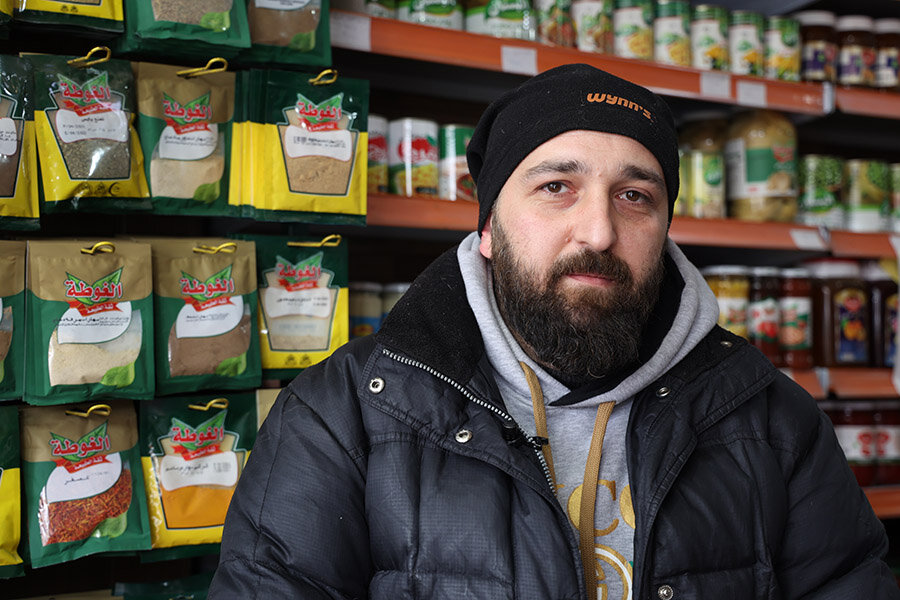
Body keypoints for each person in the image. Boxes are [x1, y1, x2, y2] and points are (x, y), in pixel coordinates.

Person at [209, 63, 899, 600]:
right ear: (486, 230)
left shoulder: (768, 419)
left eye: (636, 197)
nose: (599, 231)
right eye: (555, 187)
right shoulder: (342, 416)